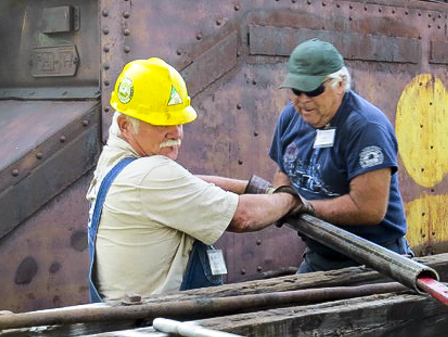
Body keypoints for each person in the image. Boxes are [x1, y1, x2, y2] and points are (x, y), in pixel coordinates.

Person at [86, 57, 304, 302]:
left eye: (180, 121)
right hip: (151, 327)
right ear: (126, 125)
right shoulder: (151, 173)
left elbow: (190, 184)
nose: (176, 133)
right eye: (163, 123)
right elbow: (243, 217)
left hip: (127, 317)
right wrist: (290, 198)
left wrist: (257, 189)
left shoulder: (116, 159)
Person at [268, 38, 412, 273]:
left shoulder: (366, 126)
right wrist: (279, 198)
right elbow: (284, 171)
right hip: (321, 254)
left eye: (314, 90)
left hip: (374, 259)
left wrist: (297, 206)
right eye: (296, 90)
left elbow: (369, 209)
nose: (303, 99)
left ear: (340, 83)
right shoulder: (291, 117)